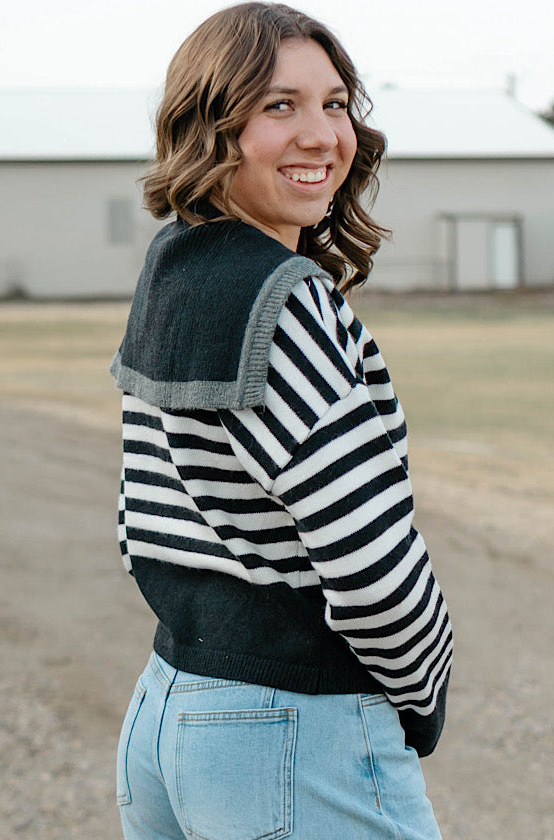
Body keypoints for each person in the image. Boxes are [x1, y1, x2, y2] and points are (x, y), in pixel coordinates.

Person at [110, 4, 453, 839]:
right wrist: (421, 694)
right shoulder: (282, 300)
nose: (321, 135)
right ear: (209, 125)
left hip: (167, 713)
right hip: (295, 727)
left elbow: (137, 519)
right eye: (278, 106)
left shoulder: (174, 270)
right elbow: (372, 564)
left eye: (335, 104)